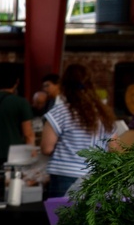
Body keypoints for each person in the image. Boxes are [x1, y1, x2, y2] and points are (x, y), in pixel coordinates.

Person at [41, 64, 114, 200]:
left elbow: (46, 148)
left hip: (65, 174)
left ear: (64, 86)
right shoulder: (105, 114)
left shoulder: (60, 112)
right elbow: (114, 148)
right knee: (90, 219)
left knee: (62, 219)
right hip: (97, 176)